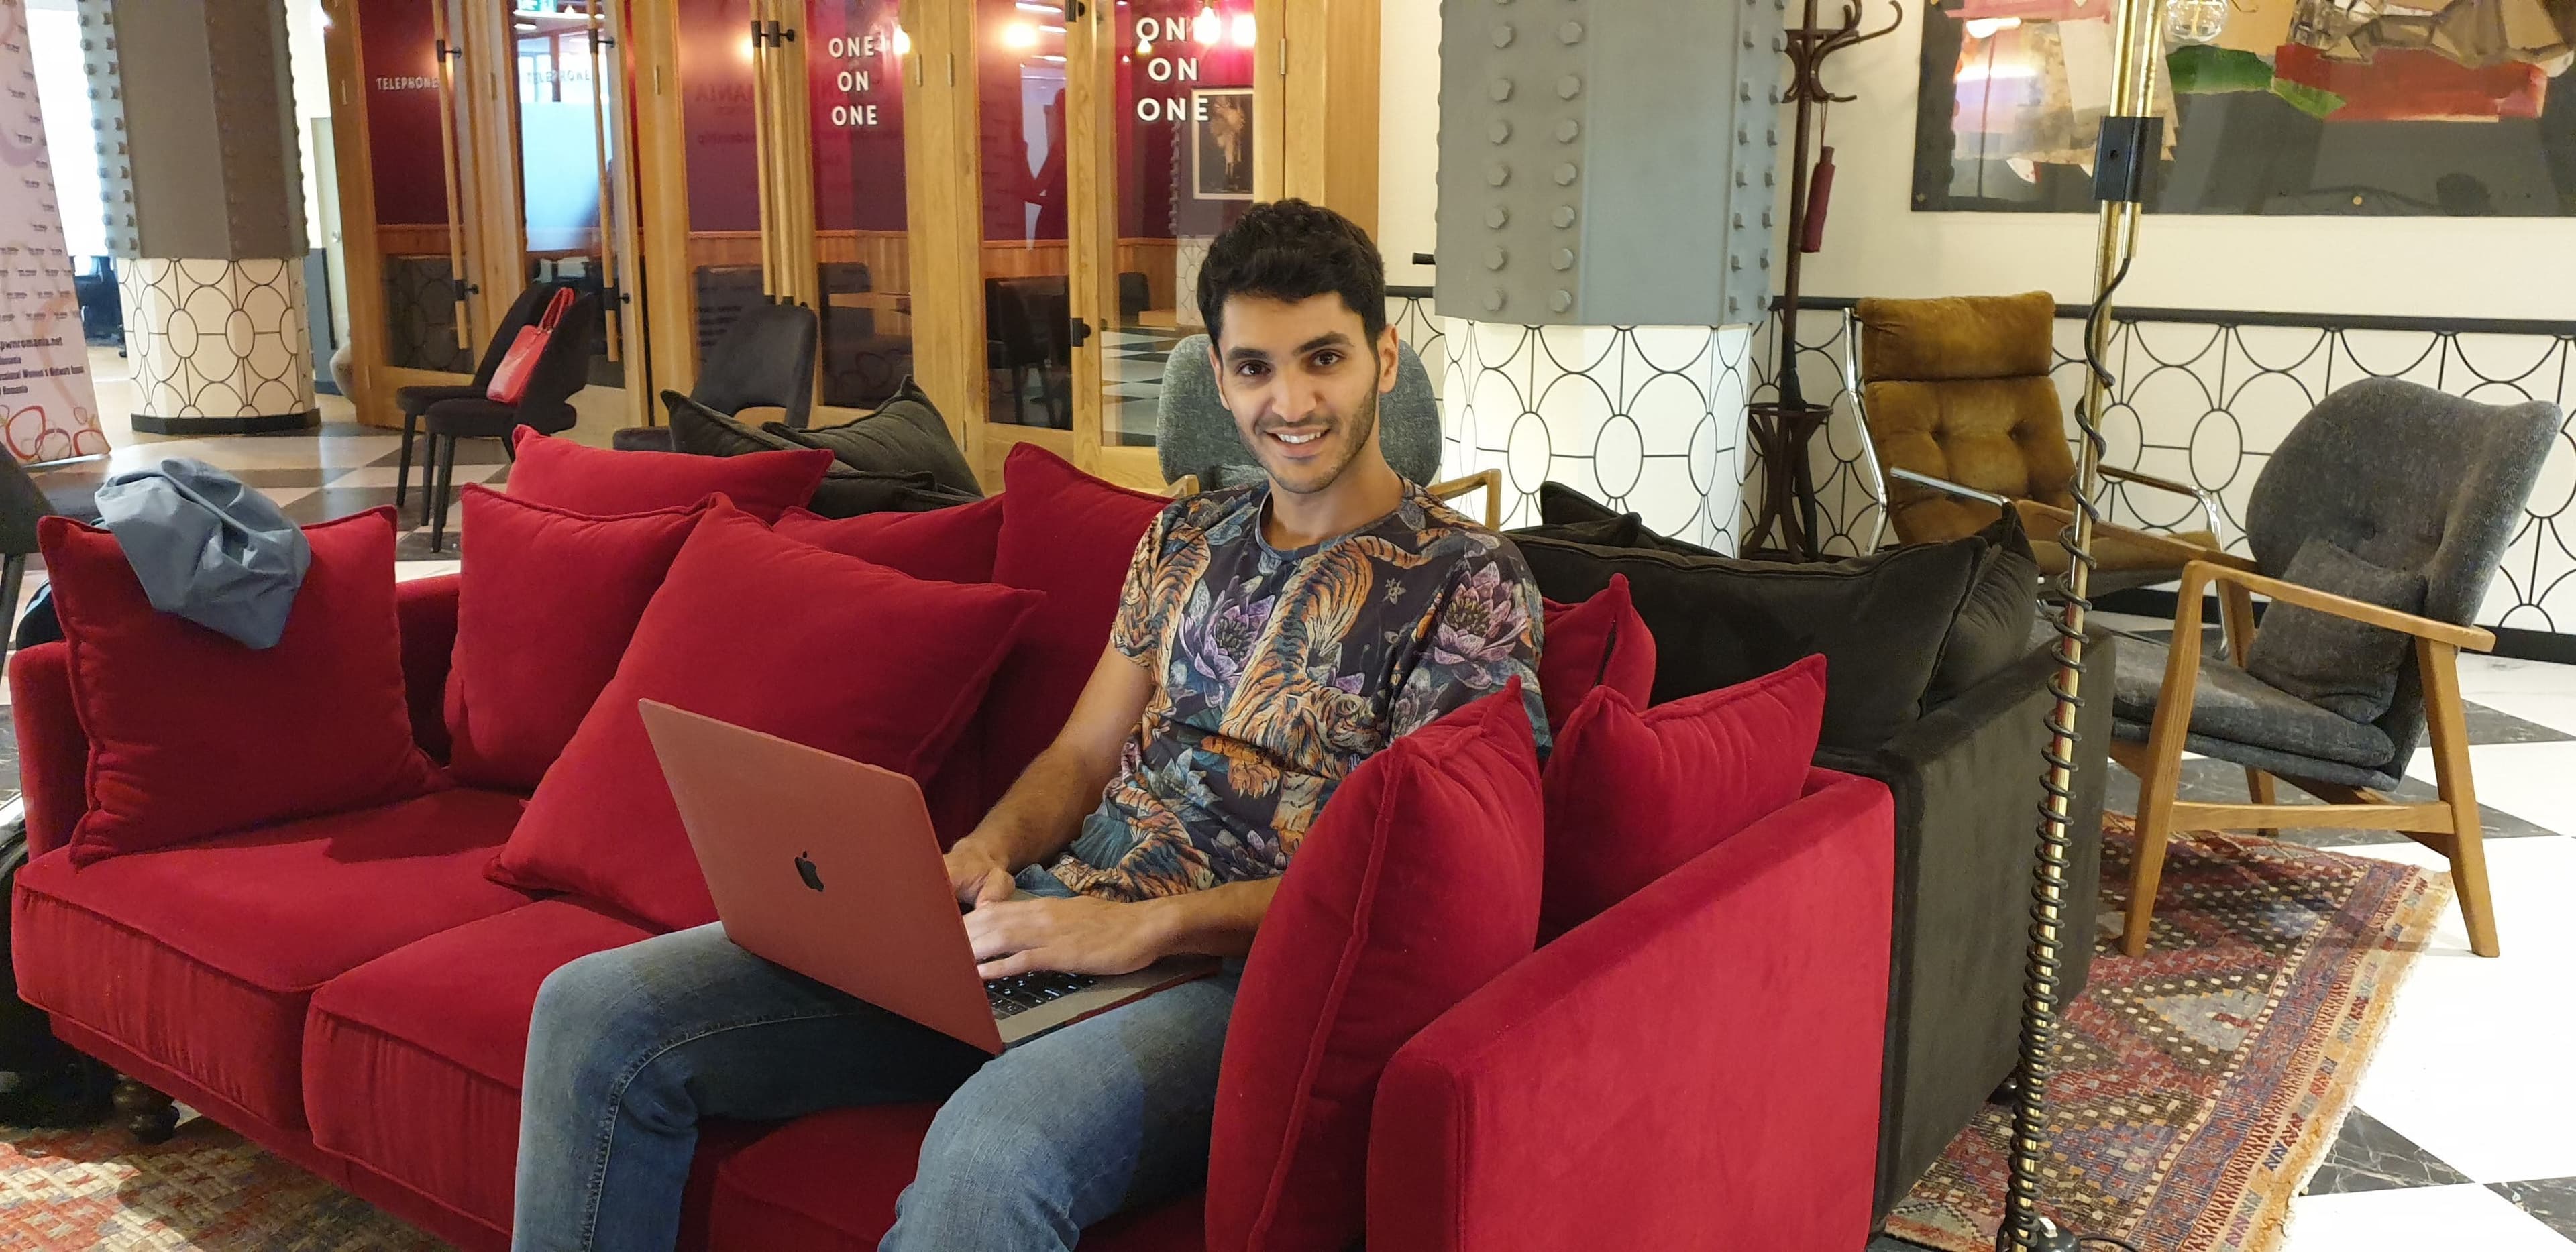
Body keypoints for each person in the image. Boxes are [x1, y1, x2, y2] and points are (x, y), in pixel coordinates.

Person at [508, 198, 1549, 1252]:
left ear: (1383, 356)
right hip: (1057, 920)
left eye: (1323, 358)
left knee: (993, 1151)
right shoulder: (1183, 538)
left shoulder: (1469, 583)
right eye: (1254, 368)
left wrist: (1144, 929)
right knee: (595, 1013)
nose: (1291, 402)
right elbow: (1083, 755)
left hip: (1237, 981)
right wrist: (985, 852)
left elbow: (1412, 883)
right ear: (1220, 375)